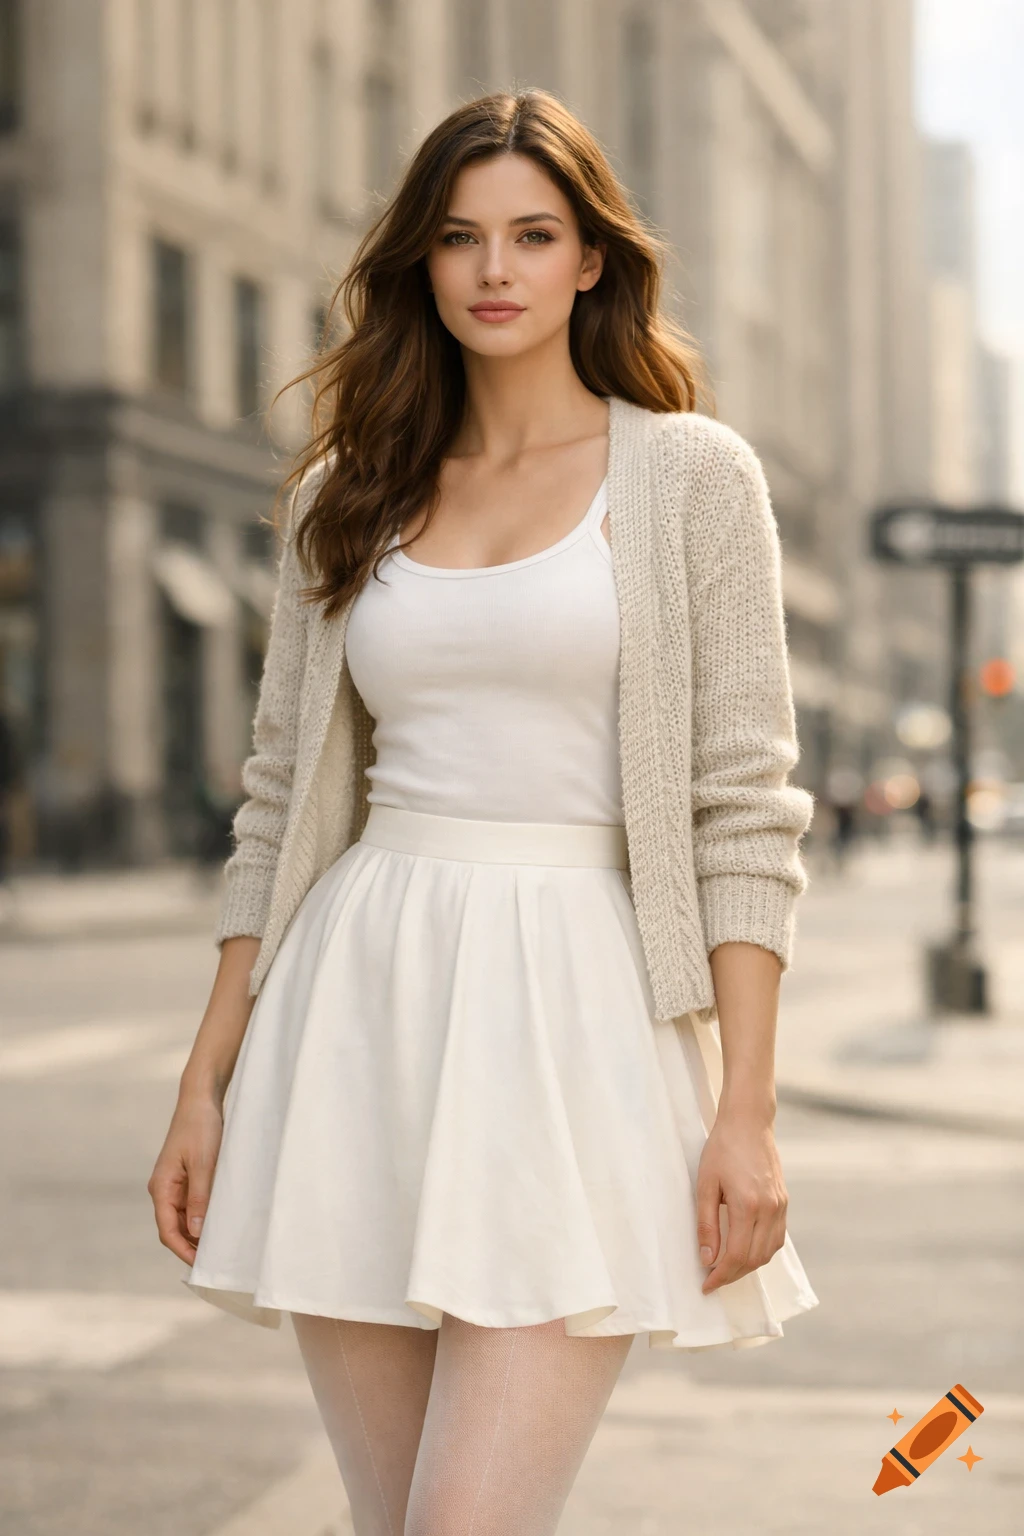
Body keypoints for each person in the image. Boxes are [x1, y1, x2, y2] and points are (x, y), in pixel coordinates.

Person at [148, 91, 818, 1535]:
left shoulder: (693, 477)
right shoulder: (346, 494)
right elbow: (279, 800)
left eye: (533, 234)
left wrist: (746, 1112)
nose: (494, 269)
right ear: (421, 261)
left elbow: (745, 812)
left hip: (579, 1013)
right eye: (459, 238)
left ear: (593, 259)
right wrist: (206, 1082)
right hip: (354, 1007)